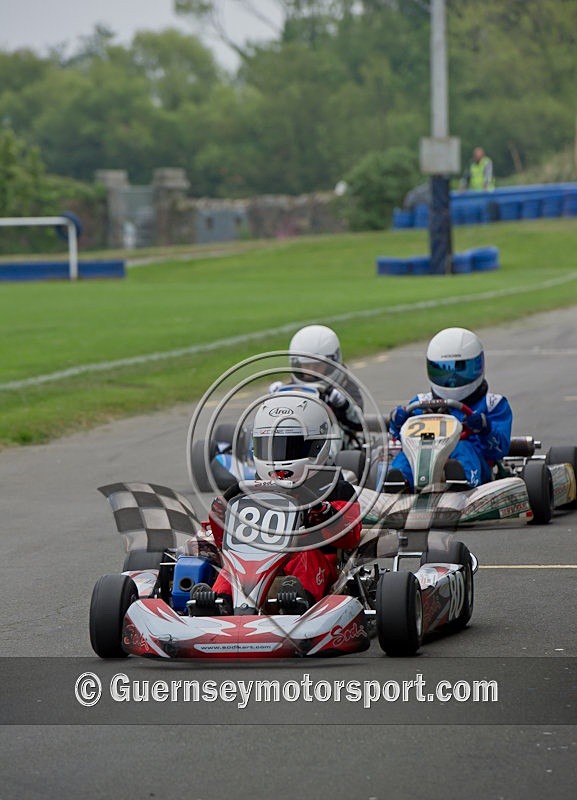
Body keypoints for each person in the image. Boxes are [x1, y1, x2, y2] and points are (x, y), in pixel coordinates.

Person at [201, 392, 363, 614]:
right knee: (233, 564)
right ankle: (219, 603)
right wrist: (220, 517)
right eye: (269, 448)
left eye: (290, 448)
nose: (277, 457)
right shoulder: (249, 490)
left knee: (303, 553)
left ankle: (299, 601)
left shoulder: (334, 487)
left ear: (317, 446)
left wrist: (325, 514)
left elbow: (350, 537)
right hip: (254, 564)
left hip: (316, 565)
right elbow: (225, 543)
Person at [386, 327, 512, 490]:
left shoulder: (493, 404)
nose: (452, 378)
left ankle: (462, 481)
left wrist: (484, 429)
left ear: (477, 366)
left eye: (460, 369)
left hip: (478, 463)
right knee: (406, 455)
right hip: (426, 457)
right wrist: (397, 423)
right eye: (444, 370)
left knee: (462, 447)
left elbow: (500, 449)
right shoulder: (420, 403)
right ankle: (400, 482)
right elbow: (401, 438)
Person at [270, 324, 364, 444]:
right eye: (306, 365)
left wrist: (344, 405)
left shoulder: (345, 387)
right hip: (295, 439)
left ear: (332, 362)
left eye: (317, 365)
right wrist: (275, 401)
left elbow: (359, 424)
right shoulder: (291, 389)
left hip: (334, 441)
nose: (311, 371)